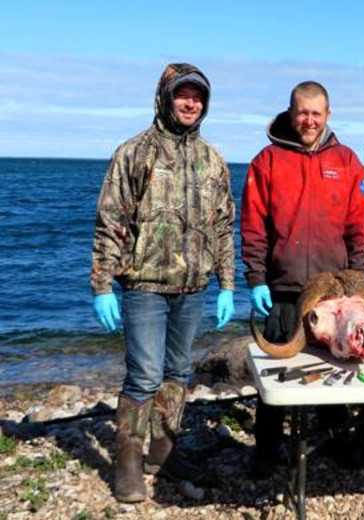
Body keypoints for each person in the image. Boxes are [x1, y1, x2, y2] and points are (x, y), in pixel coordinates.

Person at [90, 63, 236, 502]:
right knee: (144, 376)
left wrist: (228, 282)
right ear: (165, 97)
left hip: (194, 289)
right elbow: (110, 221)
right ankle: (129, 465)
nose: (191, 103)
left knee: (178, 373)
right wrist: (101, 285)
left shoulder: (212, 158)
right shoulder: (134, 152)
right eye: (183, 95)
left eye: (198, 97)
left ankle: (164, 451)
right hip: (144, 288)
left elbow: (225, 225)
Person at [240, 81, 364, 473]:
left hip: (333, 292)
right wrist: (256, 277)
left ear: (328, 115)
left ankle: (334, 441)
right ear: (290, 112)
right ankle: (267, 449)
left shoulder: (347, 161)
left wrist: (361, 280)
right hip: (283, 289)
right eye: (302, 112)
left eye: (316, 113)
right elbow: (252, 227)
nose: (309, 120)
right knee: (277, 372)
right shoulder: (267, 160)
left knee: (334, 367)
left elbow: (359, 226)